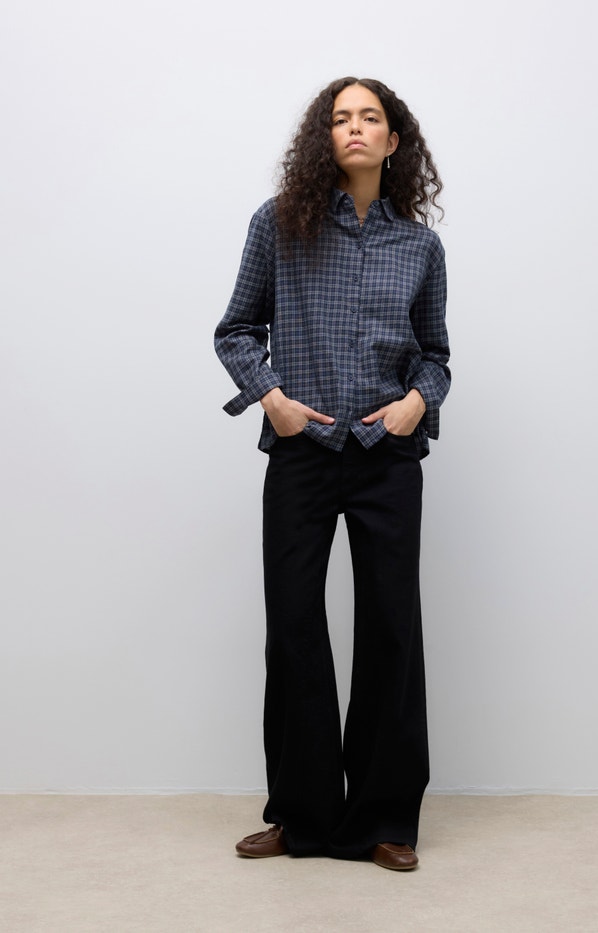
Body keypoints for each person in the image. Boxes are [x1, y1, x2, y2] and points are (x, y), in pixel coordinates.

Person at [214, 76, 450, 871]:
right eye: (340, 118)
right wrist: (274, 401)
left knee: (390, 629)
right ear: (325, 137)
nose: (354, 128)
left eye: (369, 117)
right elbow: (236, 330)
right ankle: (302, 815)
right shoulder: (278, 225)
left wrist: (416, 403)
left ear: (393, 140)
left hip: (388, 457)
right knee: (294, 627)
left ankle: (383, 820)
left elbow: (435, 356)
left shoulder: (420, 247)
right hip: (302, 452)